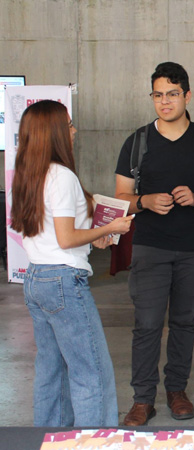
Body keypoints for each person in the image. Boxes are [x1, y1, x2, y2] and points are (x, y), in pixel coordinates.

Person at [115, 62, 194, 426]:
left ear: (187, 96)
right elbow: (120, 197)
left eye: (173, 94)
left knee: (184, 322)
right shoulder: (137, 142)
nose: (165, 102)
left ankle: (177, 390)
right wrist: (144, 201)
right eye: (158, 95)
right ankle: (142, 399)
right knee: (147, 323)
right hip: (150, 246)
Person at [11, 100, 133, 426]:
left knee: (51, 370)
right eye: (68, 125)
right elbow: (65, 239)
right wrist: (110, 228)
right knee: (91, 371)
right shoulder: (62, 176)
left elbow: (52, 234)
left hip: (36, 279)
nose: (74, 131)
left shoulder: (28, 174)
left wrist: (93, 238)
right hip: (63, 282)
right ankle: (96, 441)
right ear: (53, 132)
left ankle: (50, 439)